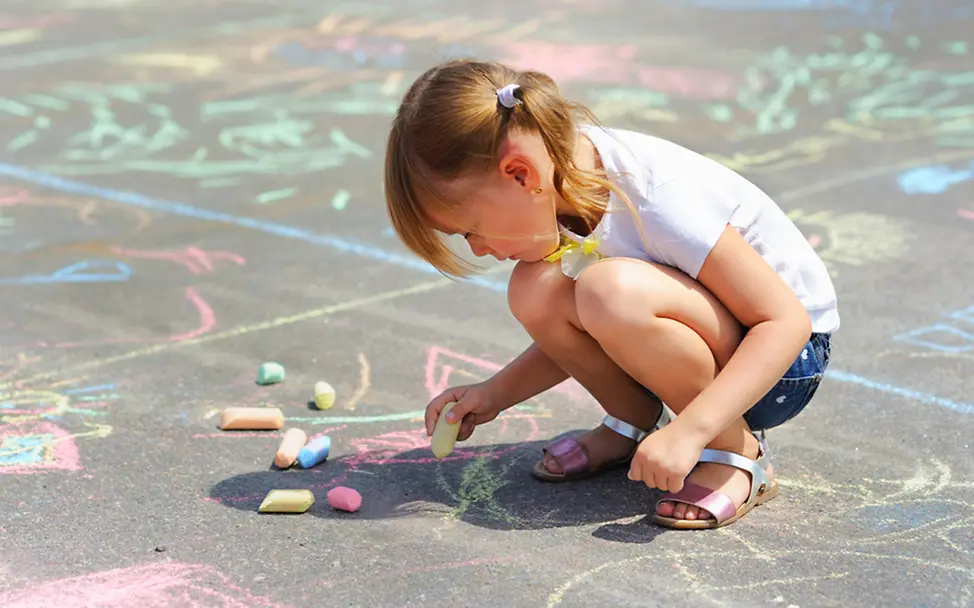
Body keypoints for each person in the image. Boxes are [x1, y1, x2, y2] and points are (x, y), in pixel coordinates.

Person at [383, 59, 838, 530]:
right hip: (704, 348)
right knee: (536, 288)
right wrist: (495, 393)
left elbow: (784, 322)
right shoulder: (555, 180)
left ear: (519, 174)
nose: (478, 249)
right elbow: (586, 323)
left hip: (780, 366)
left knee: (609, 291)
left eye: (470, 231)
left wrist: (693, 430)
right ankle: (631, 423)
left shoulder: (658, 197)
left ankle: (737, 452)